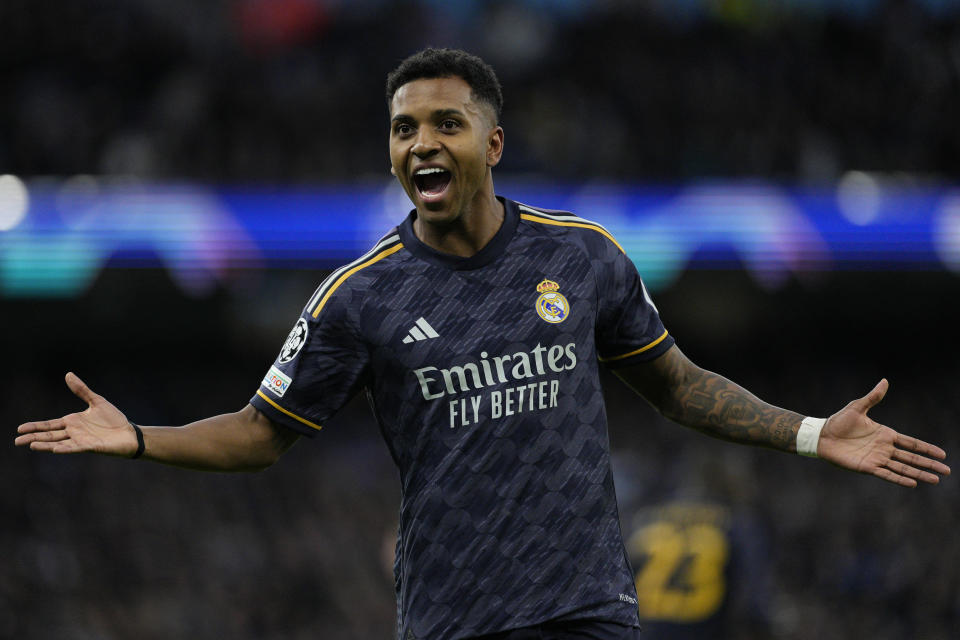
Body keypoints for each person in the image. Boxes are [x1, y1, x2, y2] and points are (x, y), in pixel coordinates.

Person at [15, 48, 950, 640]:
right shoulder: (358, 297)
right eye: (402, 127)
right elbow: (262, 433)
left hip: (591, 613)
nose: (420, 142)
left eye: (444, 123)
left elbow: (675, 385)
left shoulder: (582, 259)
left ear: (492, 143)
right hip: (455, 621)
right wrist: (139, 436)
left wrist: (808, 431)